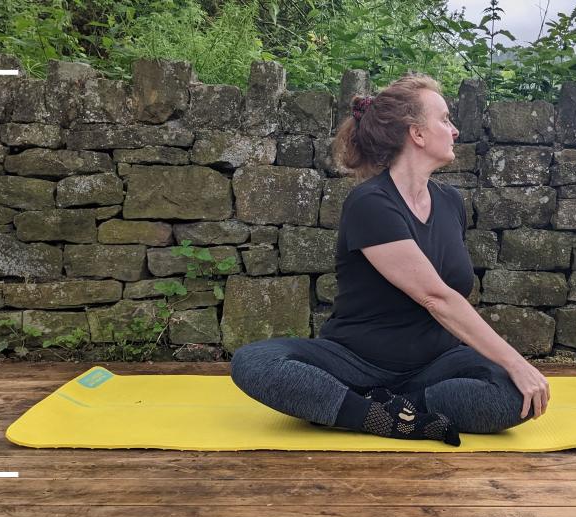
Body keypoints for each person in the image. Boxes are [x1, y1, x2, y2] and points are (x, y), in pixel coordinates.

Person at [230, 72, 550, 447]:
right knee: (254, 362)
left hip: (435, 365)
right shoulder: (371, 203)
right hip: (355, 364)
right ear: (416, 134)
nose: (455, 130)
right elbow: (436, 296)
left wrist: (515, 372)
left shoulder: (450, 203)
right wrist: (516, 361)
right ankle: (375, 413)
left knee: (513, 396)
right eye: (445, 119)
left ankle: (385, 410)